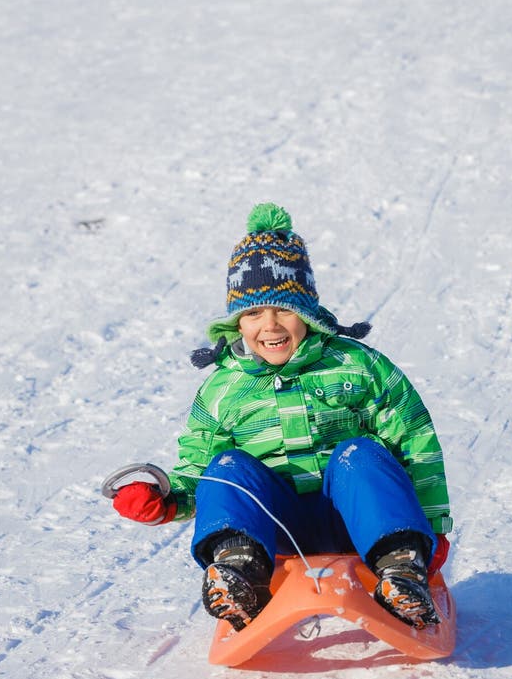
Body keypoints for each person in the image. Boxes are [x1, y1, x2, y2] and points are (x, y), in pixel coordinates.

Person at [112, 203, 453, 631]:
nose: (270, 326)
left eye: (284, 310)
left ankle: (401, 567)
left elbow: (416, 444)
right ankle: (238, 574)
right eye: (254, 313)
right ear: (237, 324)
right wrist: (167, 501)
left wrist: (431, 525)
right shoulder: (223, 389)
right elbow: (201, 472)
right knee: (228, 467)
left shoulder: (358, 366)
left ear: (307, 314)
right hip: (274, 533)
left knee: (360, 455)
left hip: (359, 518)